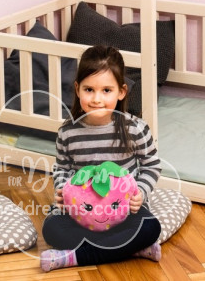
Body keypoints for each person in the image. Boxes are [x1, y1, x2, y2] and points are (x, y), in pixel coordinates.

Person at [40, 45, 162, 272]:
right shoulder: (68, 132)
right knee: (51, 228)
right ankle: (130, 249)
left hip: (123, 213)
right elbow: (62, 169)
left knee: (151, 227)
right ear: (77, 89)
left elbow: (152, 165)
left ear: (121, 92)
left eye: (107, 90)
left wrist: (140, 193)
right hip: (81, 212)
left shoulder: (134, 128)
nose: (97, 99)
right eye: (89, 90)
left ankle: (77, 256)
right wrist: (62, 191)